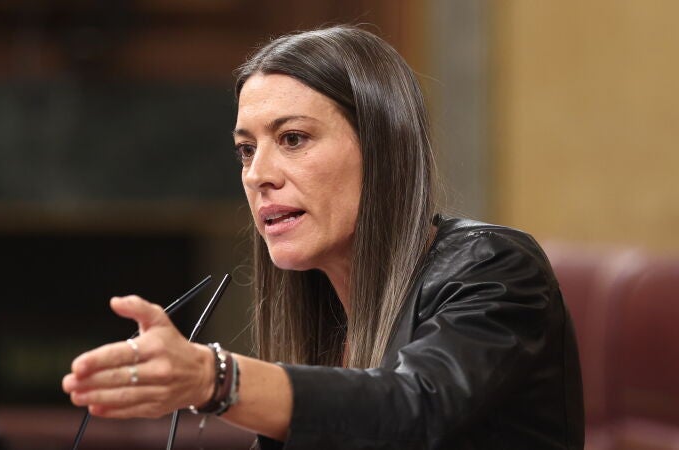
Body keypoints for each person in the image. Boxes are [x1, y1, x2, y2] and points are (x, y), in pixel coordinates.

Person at [62, 25, 584, 449]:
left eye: (292, 139)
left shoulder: (496, 267)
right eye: (246, 150)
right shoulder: (326, 317)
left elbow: (412, 410)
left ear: (381, 149)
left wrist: (215, 377)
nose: (257, 174)